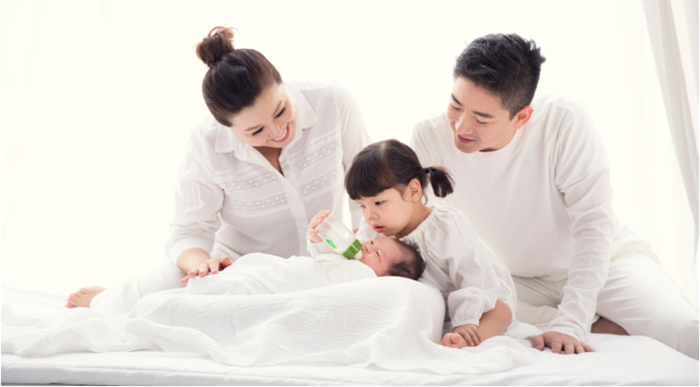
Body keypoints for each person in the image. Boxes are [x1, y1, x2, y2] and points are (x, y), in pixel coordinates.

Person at [411, 33, 699, 358]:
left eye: (482, 118)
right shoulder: (428, 137)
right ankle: (602, 325)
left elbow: (594, 226)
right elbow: (421, 223)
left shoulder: (563, 121)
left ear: (521, 117)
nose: (461, 126)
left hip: (608, 262)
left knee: (685, 330)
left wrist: (572, 322)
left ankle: (591, 319)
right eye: (455, 105)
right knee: (457, 310)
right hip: (516, 280)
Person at [66, 26, 371, 316]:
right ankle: (106, 299)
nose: (278, 131)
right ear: (228, 127)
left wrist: (362, 251)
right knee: (151, 292)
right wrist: (204, 264)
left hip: (322, 261)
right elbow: (188, 231)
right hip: (237, 265)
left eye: (281, 111)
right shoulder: (208, 143)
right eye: (256, 131)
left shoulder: (332, 102)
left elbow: (366, 187)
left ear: (282, 83)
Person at [309, 139, 518, 349]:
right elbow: (352, 260)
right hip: (437, 307)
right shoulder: (374, 229)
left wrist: (466, 319)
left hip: (484, 293)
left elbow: (476, 277)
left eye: (379, 202)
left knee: (499, 311)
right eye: (362, 206)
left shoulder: (444, 227)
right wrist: (321, 241)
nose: (369, 215)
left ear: (413, 191)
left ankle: (461, 342)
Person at [185, 235, 425, 299]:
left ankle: (220, 285)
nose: (367, 247)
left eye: (377, 254)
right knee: (258, 265)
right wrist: (318, 237)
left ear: (385, 277)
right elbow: (320, 259)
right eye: (371, 242)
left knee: (244, 285)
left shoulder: (364, 279)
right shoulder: (348, 259)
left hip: (287, 285)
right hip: (287, 270)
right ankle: (222, 278)